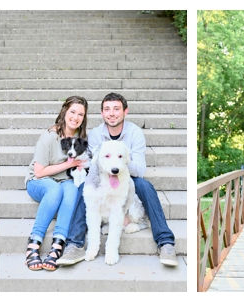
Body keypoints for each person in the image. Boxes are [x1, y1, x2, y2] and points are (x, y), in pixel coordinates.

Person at [56, 92, 178, 267]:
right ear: (102, 113)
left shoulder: (135, 133)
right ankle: (75, 244)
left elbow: (140, 168)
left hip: (126, 177)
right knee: (84, 186)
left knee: (145, 186)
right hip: (102, 178)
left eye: (116, 109)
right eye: (107, 109)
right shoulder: (97, 134)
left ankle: (165, 241)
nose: (111, 113)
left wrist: (118, 163)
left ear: (125, 111)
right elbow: (93, 164)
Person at [24, 96, 89, 271]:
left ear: (84, 118)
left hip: (66, 180)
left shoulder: (81, 139)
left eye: (80, 114)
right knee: (54, 190)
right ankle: (34, 243)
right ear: (64, 112)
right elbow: (39, 172)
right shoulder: (50, 136)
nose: (76, 117)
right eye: (72, 112)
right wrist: (69, 164)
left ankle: (57, 245)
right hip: (40, 181)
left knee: (71, 191)